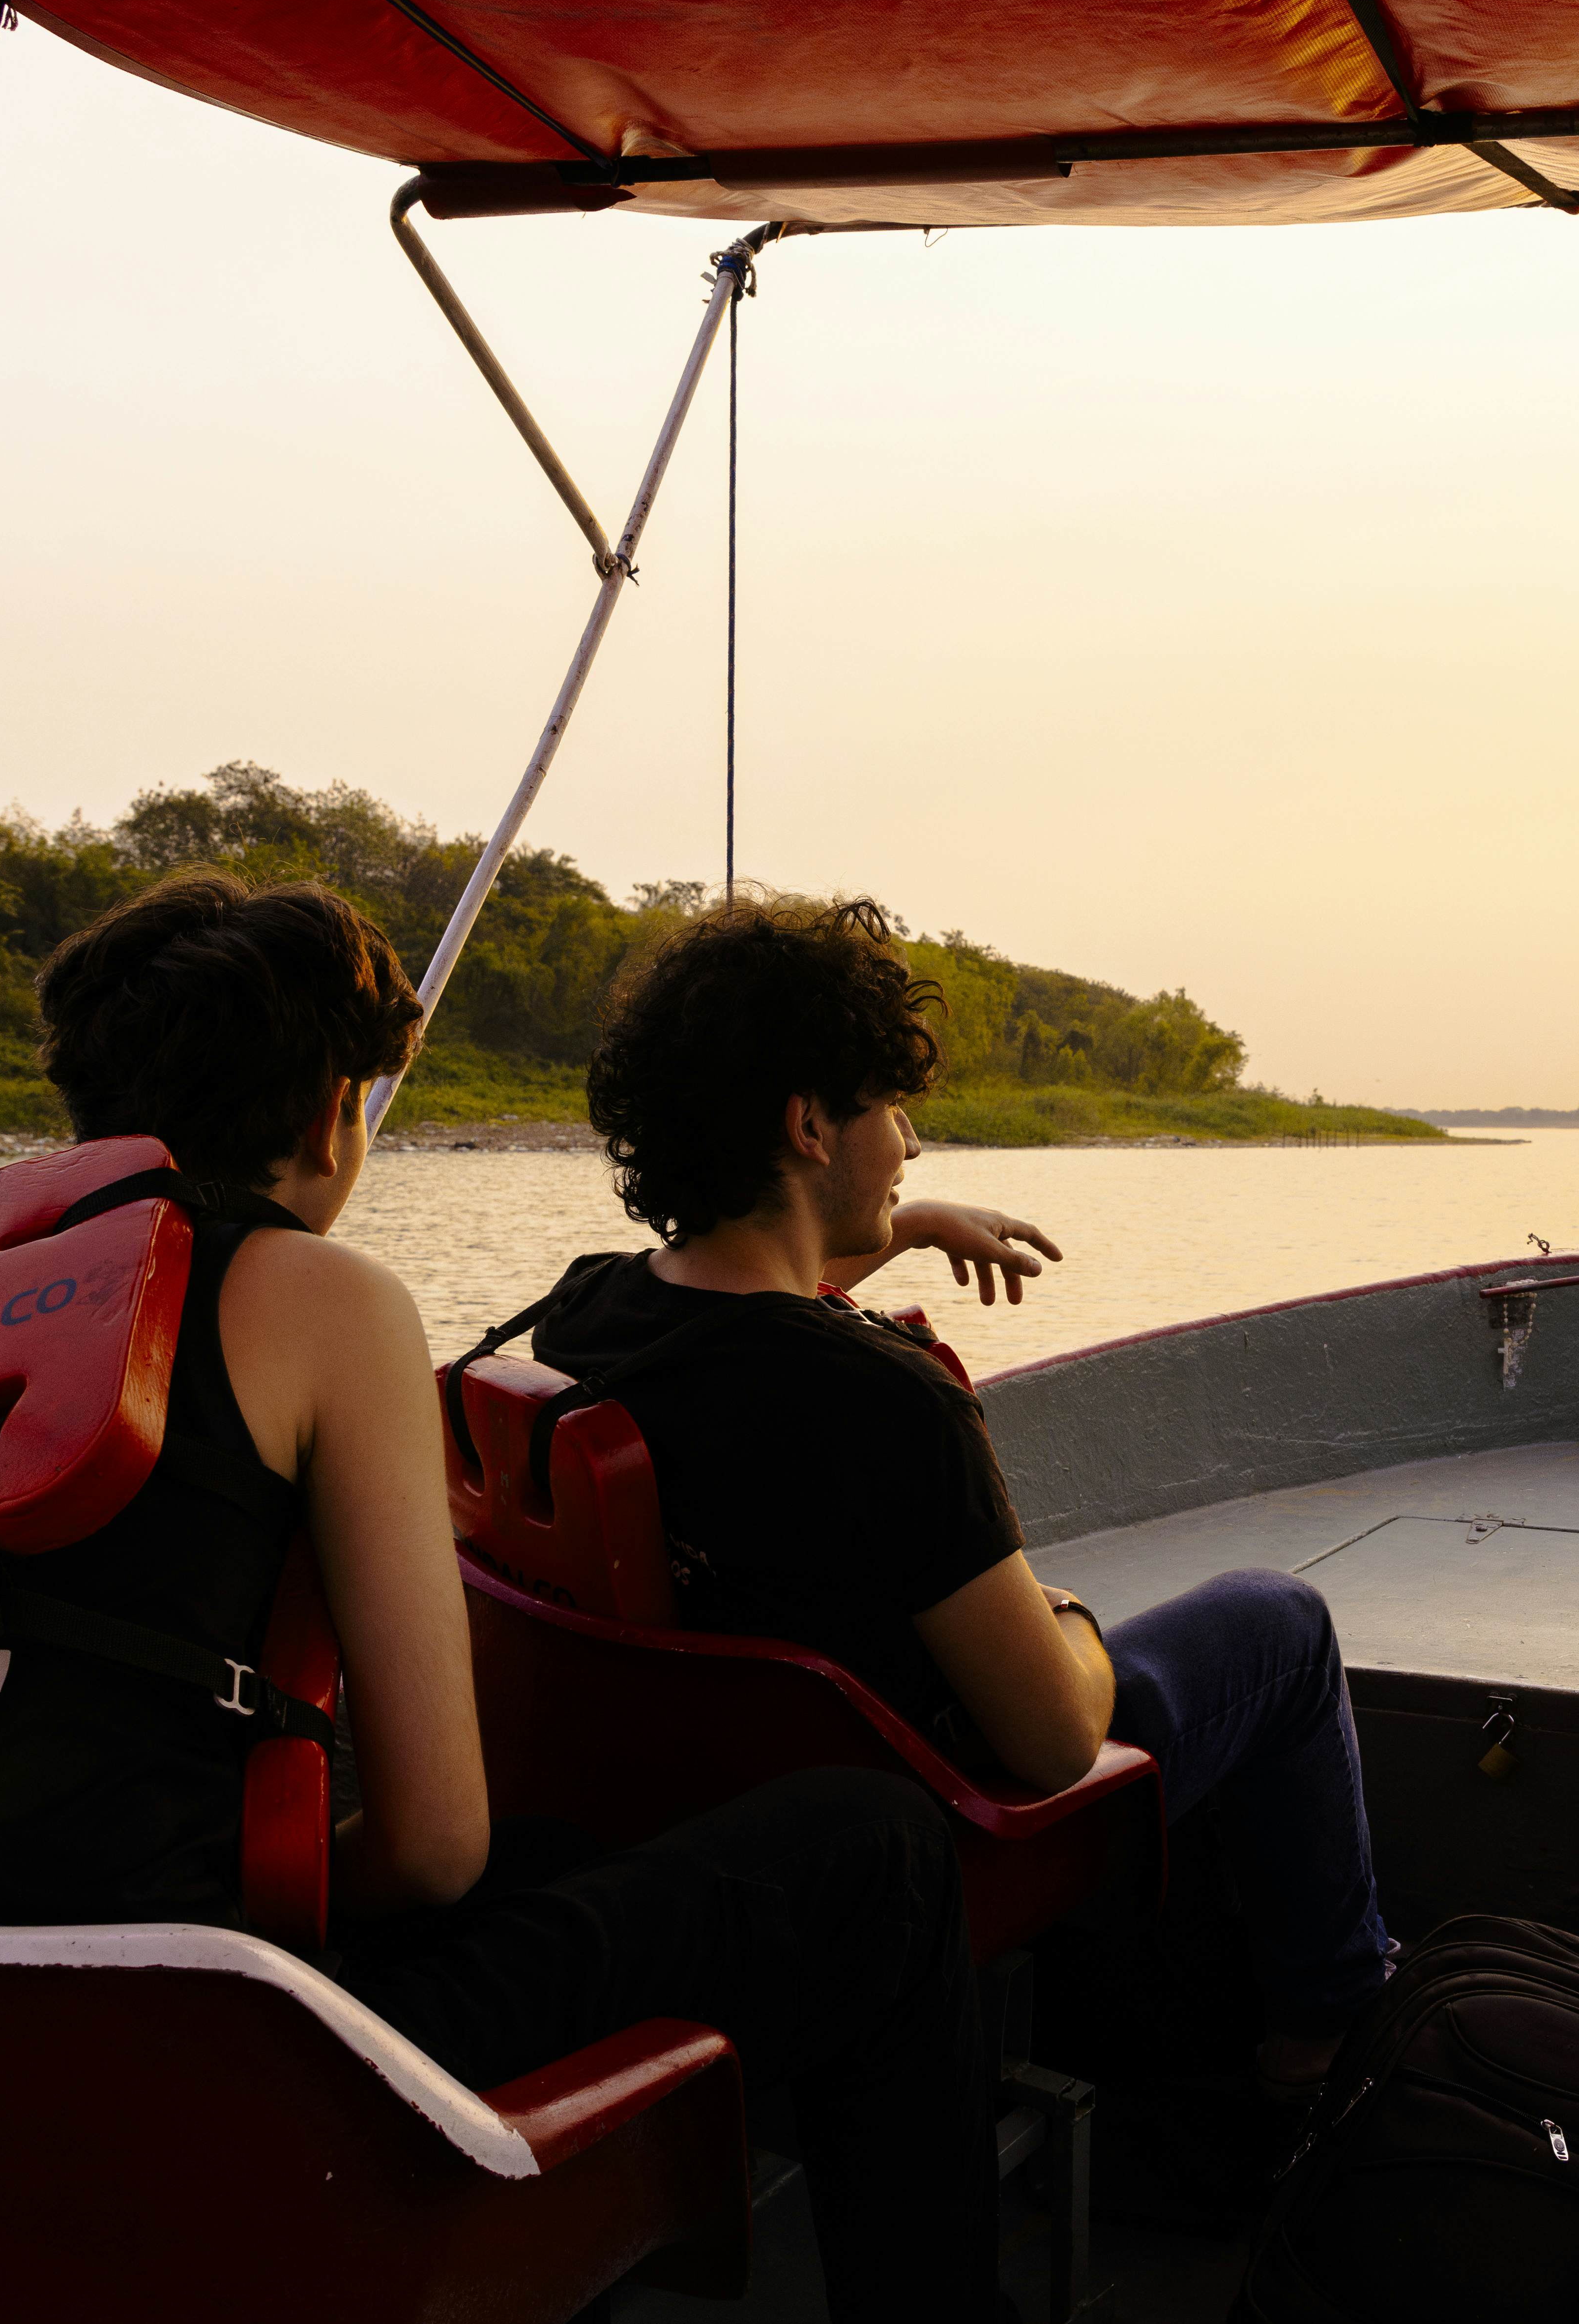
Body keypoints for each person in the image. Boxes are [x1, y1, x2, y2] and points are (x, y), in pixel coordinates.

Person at [0, 870, 1028, 2324]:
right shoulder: (319, 1296)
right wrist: (287, 1875)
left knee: (558, 1863)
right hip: (202, 2080)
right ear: (328, 1120)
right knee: (878, 1856)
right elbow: (433, 1853)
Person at [494, 894, 1393, 2092]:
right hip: (949, 1835)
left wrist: (900, 1226)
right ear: (810, 1124)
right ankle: (1328, 2031)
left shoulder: (587, 1309)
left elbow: (741, 1302)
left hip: (701, 1823)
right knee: (1278, 1621)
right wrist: (1067, 1620)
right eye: (888, 1109)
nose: (911, 1141)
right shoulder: (886, 1403)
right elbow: (1056, 1738)